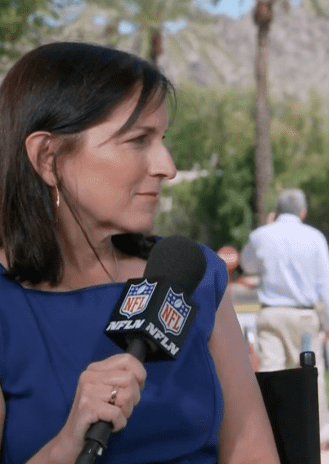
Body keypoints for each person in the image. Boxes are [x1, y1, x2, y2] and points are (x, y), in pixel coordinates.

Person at [0, 42, 279, 463]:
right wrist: (69, 441)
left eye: (162, 138)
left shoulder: (194, 275)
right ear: (48, 157)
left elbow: (252, 452)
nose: (167, 165)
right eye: (138, 140)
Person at [240, 189, 329, 451]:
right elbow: (327, 283)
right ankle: (318, 435)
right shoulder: (314, 237)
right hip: (304, 316)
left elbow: (248, 264)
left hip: (271, 313)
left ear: (278, 210)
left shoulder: (263, 234)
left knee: (272, 373)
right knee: (311, 375)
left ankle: (271, 433)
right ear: (303, 212)